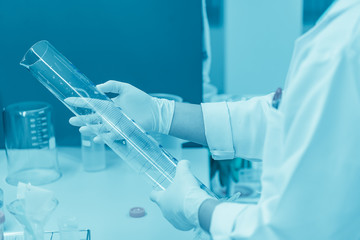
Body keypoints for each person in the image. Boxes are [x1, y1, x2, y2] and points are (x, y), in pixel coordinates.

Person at [69, 0, 360, 239]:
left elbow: (285, 230)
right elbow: (297, 118)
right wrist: (162, 113)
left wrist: (199, 208)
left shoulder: (346, 41)